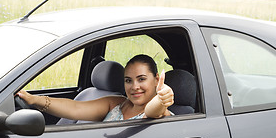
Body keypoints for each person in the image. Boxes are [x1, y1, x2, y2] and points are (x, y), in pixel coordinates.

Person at [17, 54, 174, 122]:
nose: (135, 87)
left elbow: (152, 111)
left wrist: (162, 98)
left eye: (141, 79)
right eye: (128, 80)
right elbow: (74, 109)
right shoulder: (116, 103)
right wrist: (33, 99)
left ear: (156, 80)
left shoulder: (161, 111)